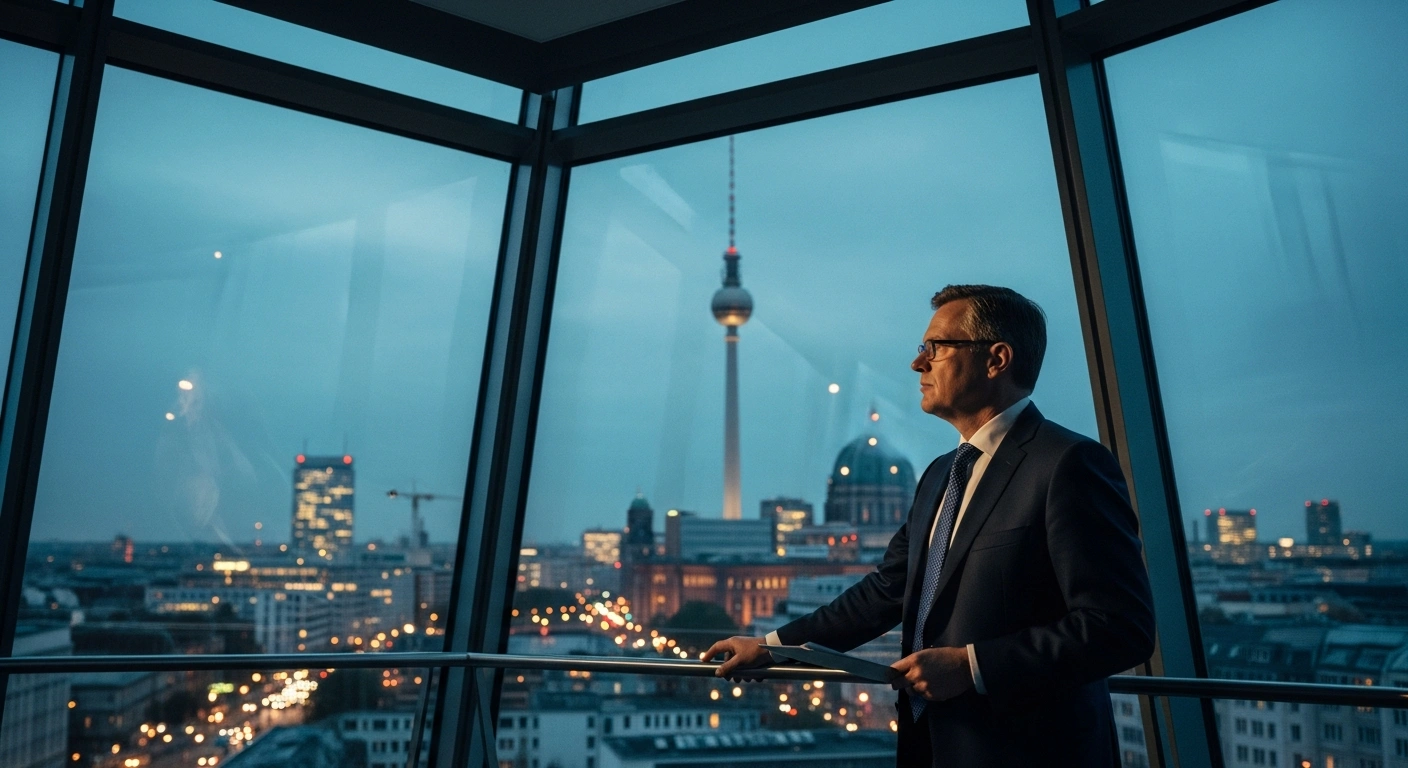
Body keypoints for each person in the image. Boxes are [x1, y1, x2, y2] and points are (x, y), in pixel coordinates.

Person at [702, 284, 1155, 767]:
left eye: (936, 348)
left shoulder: (1069, 464)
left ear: (996, 358)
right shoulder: (942, 473)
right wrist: (772, 649)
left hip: (1029, 752)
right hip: (931, 744)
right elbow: (886, 592)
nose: (919, 364)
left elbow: (1119, 628)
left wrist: (972, 666)